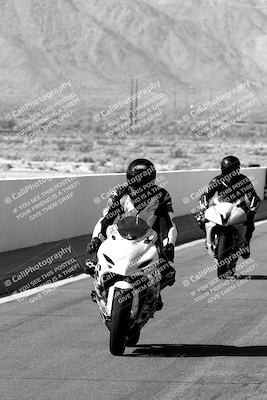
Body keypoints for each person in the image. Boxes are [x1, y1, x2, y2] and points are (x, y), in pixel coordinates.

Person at [85, 158, 178, 309]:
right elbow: (106, 219)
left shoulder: (162, 195)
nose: (138, 187)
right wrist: (96, 239)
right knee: (92, 263)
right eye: (134, 181)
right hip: (120, 236)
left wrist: (169, 245)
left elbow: (168, 223)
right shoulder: (119, 193)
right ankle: (101, 288)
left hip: (150, 239)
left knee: (167, 272)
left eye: (142, 182)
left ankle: (154, 293)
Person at [199, 155, 261, 258]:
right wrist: (203, 206)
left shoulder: (243, 180)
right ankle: (208, 239)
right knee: (201, 219)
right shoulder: (216, 181)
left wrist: (252, 207)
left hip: (239, 207)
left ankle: (246, 244)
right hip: (220, 207)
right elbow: (206, 195)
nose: (233, 173)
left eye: (235, 169)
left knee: (250, 222)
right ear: (224, 170)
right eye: (230, 170)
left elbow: (253, 195)